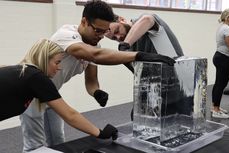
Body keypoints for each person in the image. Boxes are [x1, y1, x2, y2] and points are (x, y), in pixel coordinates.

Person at [20, 1, 176, 152]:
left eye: (105, 31)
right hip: (30, 94)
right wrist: (138, 55)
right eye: (98, 31)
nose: (102, 36)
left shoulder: (95, 44)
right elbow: (95, 55)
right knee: (35, 147)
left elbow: (91, 81)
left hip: (52, 93)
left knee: (58, 142)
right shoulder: (66, 34)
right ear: (84, 22)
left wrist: (96, 92)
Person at [0, 39, 118, 145]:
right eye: (57, 62)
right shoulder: (36, 77)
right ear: (45, 60)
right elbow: (70, 115)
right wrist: (100, 133)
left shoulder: (25, 73)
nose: (59, 67)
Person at [105, 13, 185, 119]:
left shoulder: (144, 22)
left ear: (122, 20)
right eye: (114, 38)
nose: (119, 37)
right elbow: (139, 73)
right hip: (154, 89)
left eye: (117, 31)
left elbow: (147, 19)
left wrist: (125, 44)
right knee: (137, 119)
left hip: (175, 83)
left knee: (173, 124)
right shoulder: (128, 47)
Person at [211, 8, 229, 119]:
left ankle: (215, 107)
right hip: (224, 59)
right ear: (227, 17)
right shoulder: (227, 29)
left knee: (218, 84)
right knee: (221, 85)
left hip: (220, 57)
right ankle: (216, 110)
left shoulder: (223, 27)